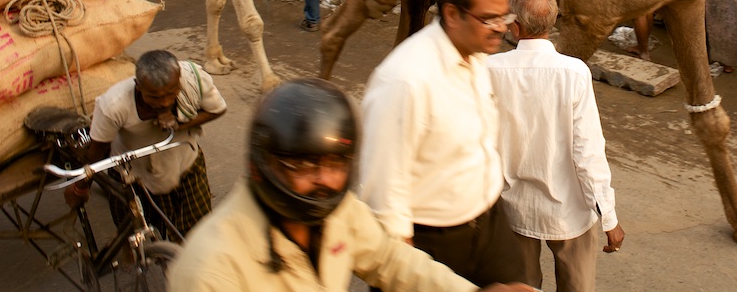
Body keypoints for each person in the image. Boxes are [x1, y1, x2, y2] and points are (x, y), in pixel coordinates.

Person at [167, 79, 536, 292]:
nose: (324, 180)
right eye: (301, 166)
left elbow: (389, 259)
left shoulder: (338, 213)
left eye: (335, 164)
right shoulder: (211, 272)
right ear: (265, 163)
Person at [358, 0, 528, 287]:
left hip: (488, 223)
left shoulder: (475, 53)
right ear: (452, 14)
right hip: (432, 242)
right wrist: (403, 265)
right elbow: (382, 188)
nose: (502, 28)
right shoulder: (405, 80)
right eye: (489, 18)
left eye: (505, 17)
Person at [488, 0, 625, 292]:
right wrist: (609, 217)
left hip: (511, 208)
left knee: (519, 287)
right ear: (553, 21)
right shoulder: (573, 72)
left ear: (515, 26)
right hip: (569, 211)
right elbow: (587, 152)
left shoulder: (489, 69)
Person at [71, 50, 226, 237]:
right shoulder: (113, 106)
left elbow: (217, 110)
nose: (164, 102)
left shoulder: (194, 80)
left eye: (171, 93)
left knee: (197, 236)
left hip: (185, 164)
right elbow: (97, 151)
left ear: (179, 81)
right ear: (138, 87)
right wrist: (81, 186)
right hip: (133, 174)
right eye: (154, 97)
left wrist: (179, 123)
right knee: (131, 233)